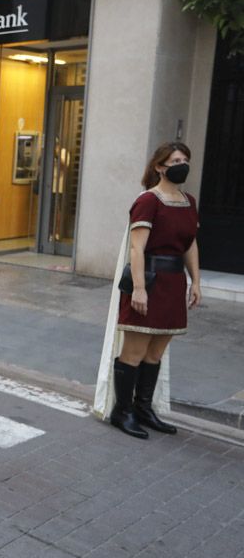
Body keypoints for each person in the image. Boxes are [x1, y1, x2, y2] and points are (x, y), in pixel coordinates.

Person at [106, 142, 200, 439]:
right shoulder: (149, 200)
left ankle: (143, 408)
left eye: (185, 159)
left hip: (174, 284)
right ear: (160, 166)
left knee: (156, 352)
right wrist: (139, 289)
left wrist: (196, 280)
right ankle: (121, 412)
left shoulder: (189, 201)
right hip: (149, 279)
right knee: (134, 351)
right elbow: (137, 248)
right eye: (175, 160)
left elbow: (190, 244)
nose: (181, 163)